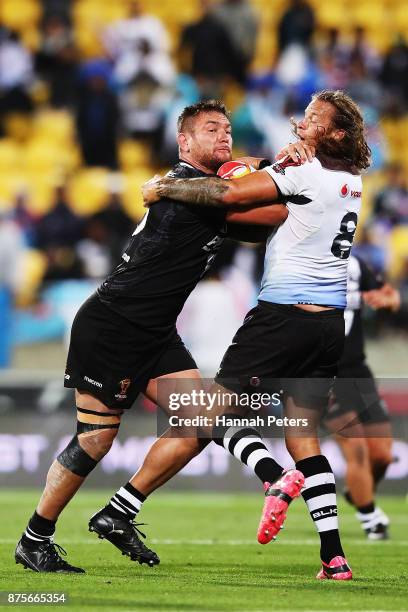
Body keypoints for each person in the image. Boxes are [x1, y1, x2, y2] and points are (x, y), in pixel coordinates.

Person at [15, 100, 297, 573]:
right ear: (184, 141)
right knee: (96, 440)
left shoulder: (194, 191)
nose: (224, 137)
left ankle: (120, 512)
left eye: (227, 130)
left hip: (154, 329)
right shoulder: (190, 193)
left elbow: (255, 207)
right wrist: (277, 167)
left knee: (200, 421)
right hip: (113, 325)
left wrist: (265, 167)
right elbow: (271, 215)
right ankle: (35, 538)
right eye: (211, 130)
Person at [143, 90, 372, 580]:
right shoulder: (349, 179)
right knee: (303, 437)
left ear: (335, 133)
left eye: (313, 119)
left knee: (206, 414)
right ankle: (334, 557)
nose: (302, 122)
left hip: (281, 320)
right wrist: (279, 158)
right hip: (328, 325)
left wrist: (166, 188)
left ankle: (272, 480)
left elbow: (227, 194)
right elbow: (254, 170)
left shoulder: (305, 173)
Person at [324, 254, 400, 539]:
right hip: (323, 372)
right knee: (355, 448)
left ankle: (359, 494)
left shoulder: (355, 264)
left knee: (381, 456)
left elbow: (389, 294)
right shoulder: (301, 259)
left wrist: (389, 301)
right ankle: (371, 521)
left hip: (358, 371)